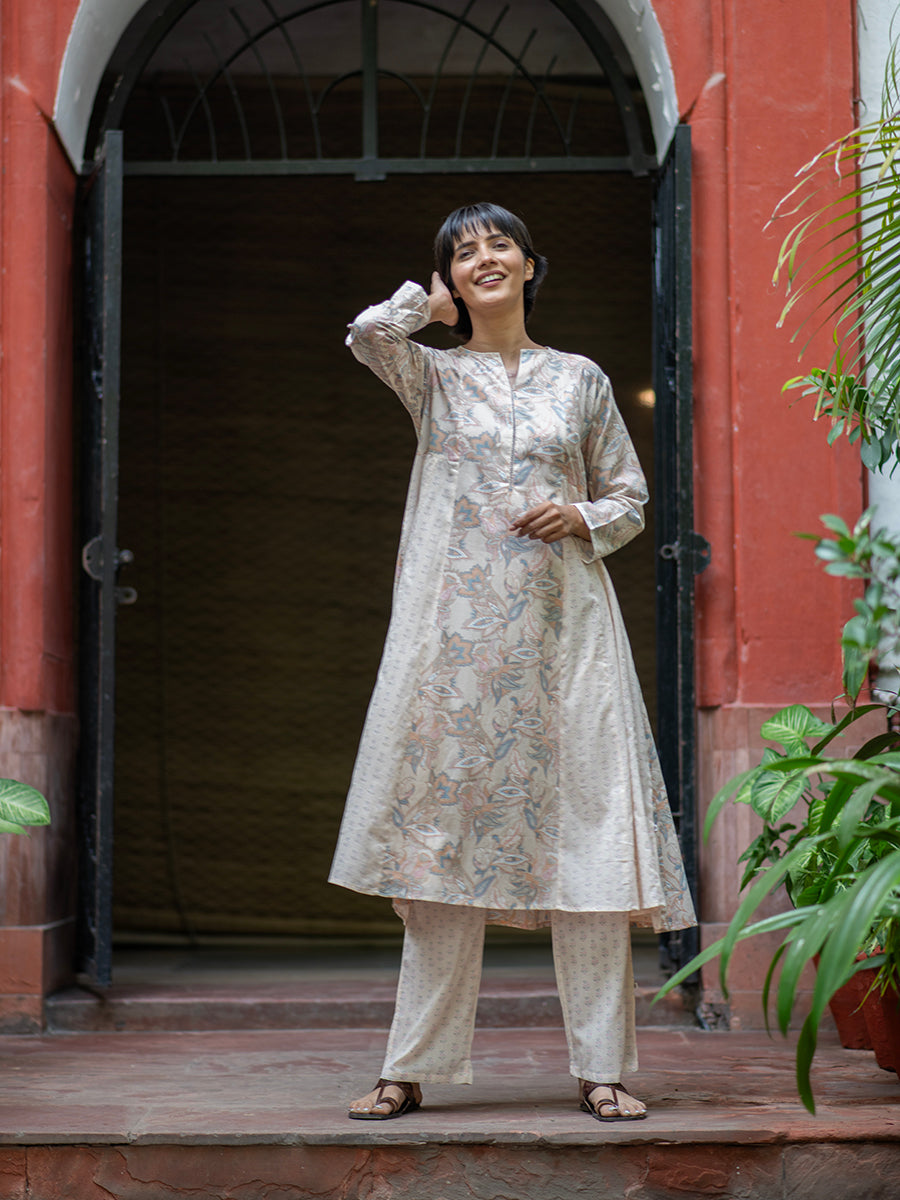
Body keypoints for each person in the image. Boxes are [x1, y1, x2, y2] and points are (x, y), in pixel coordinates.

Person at [329, 202, 696, 1123]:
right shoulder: (433, 377)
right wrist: (426, 307)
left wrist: (582, 515)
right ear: (451, 279)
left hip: (570, 642)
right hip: (453, 650)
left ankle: (602, 1069)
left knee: (591, 844)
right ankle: (409, 1066)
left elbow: (629, 495)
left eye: (499, 245)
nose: (483, 258)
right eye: (463, 252)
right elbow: (368, 334)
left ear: (532, 265)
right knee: (440, 848)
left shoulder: (580, 379)